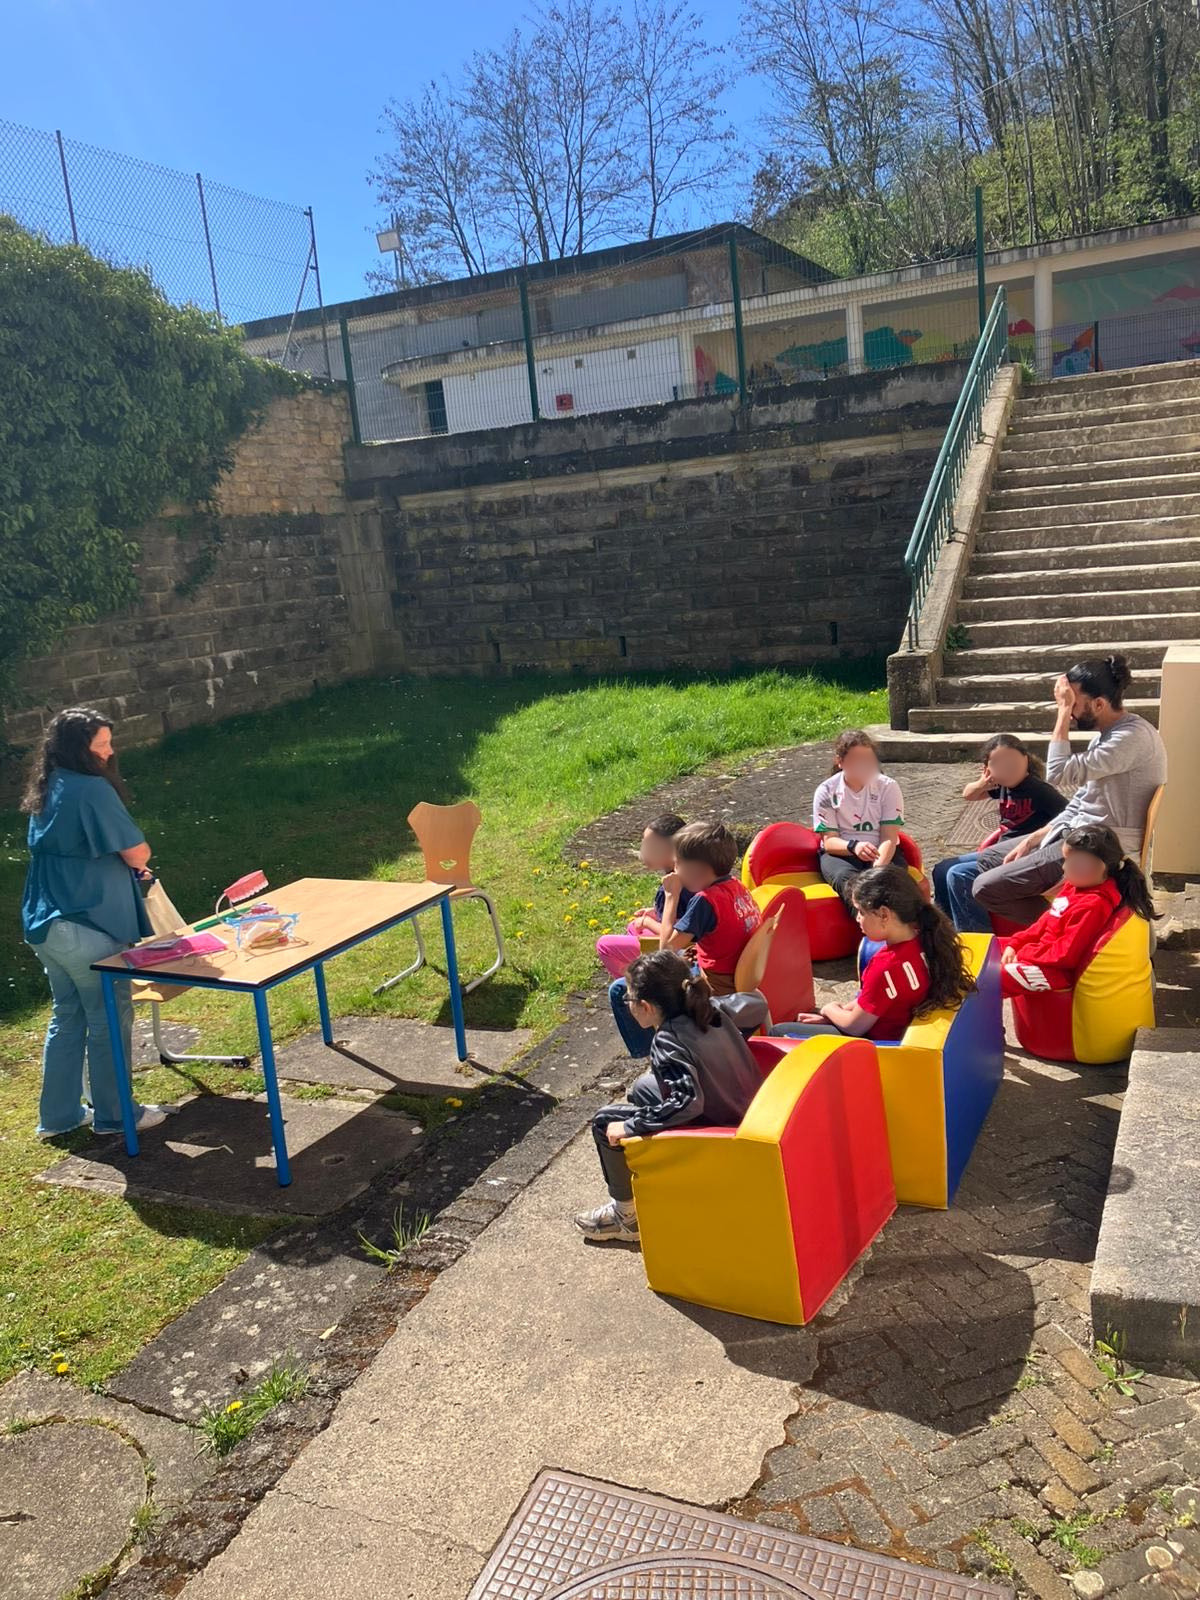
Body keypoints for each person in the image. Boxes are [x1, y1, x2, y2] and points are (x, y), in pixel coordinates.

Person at [21, 707, 168, 1139]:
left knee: (67, 1015)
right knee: (107, 1017)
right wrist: (135, 862)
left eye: (108, 742)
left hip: (46, 923)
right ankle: (116, 1116)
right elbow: (137, 852)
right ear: (77, 750)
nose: (109, 752)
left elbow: (79, 847)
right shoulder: (91, 790)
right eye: (100, 745)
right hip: (87, 925)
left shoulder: (50, 787)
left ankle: (60, 1117)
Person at [576, 951, 769, 1242]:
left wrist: (629, 1126)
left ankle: (626, 1216)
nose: (628, 1006)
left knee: (605, 1121)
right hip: (749, 1110)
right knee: (643, 1088)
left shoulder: (668, 1040)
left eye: (628, 1000)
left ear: (645, 1007)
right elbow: (758, 1004)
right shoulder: (709, 1010)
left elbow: (687, 1101)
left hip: (722, 1133)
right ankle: (664, 1174)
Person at [973, 655, 1167, 928]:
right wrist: (1035, 837)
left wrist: (1062, 714)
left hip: (1099, 846)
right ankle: (1061, 923)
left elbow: (1057, 773)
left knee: (984, 887)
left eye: (1073, 702)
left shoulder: (1130, 739)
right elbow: (1081, 801)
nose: (1071, 711)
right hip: (1080, 832)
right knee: (989, 858)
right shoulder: (1110, 734)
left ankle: (1067, 931)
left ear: (1099, 704)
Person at [769, 865, 975, 1042]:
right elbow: (874, 1000)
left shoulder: (886, 966)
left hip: (876, 1045)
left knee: (779, 1031)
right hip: (898, 1029)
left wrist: (829, 1010)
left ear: (884, 914)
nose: (857, 919)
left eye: (861, 911)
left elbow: (855, 1027)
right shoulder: (927, 938)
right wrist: (840, 1014)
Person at [608, 820, 761, 1057]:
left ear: (699, 869)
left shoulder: (705, 900)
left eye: (678, 864)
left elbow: (665, 950)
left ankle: (657, 1054)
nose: (675, 870)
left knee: (621, 991)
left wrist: (672, 896)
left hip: (717, 985)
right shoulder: (737, 886)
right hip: (739, 975)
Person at [999, 824, 1158, 998]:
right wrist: (1015, 943)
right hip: (1043, 956)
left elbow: (1065, 955)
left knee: (990, 980)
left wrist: (1023, 953)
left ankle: (984, 1023)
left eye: (1075, 863)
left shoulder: (1094, 905)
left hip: (1057, 971)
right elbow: (1045, 922)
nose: (1065, 868)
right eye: (1066, 860)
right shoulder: (1075, 887)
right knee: (987, 947)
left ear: (1101, 867)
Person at [933, 735, 1068, 932]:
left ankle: (977, 937)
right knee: (942, 868)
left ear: (1025, 760)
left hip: (1023, 856)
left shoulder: (1040, 790)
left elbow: (1068, 817)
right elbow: (968, 794)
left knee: (959, 874)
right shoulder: (1002, 786)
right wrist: (983, 782)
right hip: (998, 851)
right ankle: (944, 929)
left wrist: (1038, 840)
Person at [812, 730, 906, 907]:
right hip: (842, 853)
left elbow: (889, 837)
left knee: (887, 882)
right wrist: (854, 846)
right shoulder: (826, 791)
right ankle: (869, 928)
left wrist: (876, 870)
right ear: (840, 762)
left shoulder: (888, 786)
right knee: (848, 882)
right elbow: (830, 841)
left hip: (882, 851)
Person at [595, 813, 692, 980]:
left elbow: (677, 934)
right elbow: (680, 913)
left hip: (678, 947)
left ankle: (637, 986)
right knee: (633, 926)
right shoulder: (681, 873)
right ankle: (644, 970)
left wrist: (648, 922)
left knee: (604, 945)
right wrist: (655, 912)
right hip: (674, 939)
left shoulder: (679, 883)